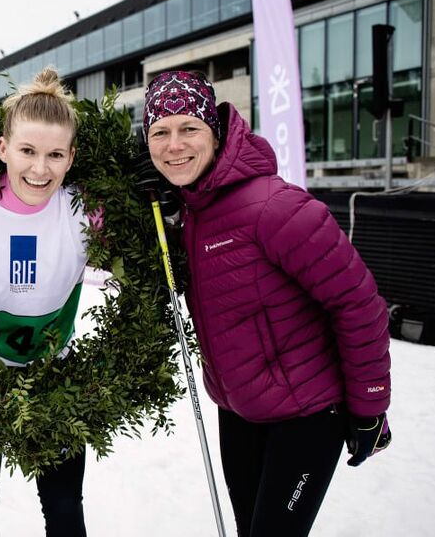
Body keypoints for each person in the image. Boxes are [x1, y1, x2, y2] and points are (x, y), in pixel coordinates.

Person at [135, 70, 392, 537]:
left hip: (306, 416)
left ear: (215, 132)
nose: (174, 145)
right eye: (160, 132)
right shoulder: (191, 210)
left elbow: (358, 302)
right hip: (239, 412)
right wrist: (164, 213)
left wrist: (370, 406)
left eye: (189, 128)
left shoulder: (275, 208)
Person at [0, 67, 94, 537]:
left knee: (64, 507)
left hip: (52, 371)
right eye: (27, 151)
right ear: (3, 149)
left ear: (71, 157)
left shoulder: (85, 211)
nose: (40, 169)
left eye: (55, 154)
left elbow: (155, 253)